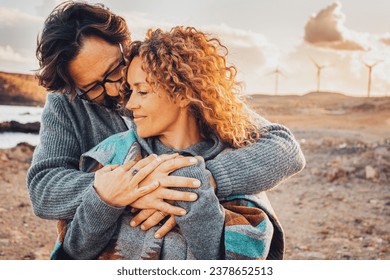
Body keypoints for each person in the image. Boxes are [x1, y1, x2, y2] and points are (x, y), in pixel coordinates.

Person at [27, 1, 305, 247]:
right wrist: (132, 189)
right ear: (74, 87)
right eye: (93, 88)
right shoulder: (66, 103)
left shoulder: (174, 82)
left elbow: (284, 149)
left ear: (125, 44)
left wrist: (194, 182)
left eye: (114, 71)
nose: (114, 91)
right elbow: (43, 187)